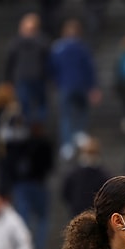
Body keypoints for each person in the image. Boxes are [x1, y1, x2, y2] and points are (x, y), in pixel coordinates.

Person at [50, 19, 101, 161]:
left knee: (66, 115)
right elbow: (90, 69)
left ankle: (67, 144)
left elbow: (52, 68)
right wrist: (93, 87)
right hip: (81, 86)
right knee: (81, 111)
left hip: (65, 86)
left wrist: (57, 82)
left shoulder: (58, 48)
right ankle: (79, 135)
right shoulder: (82, 47)